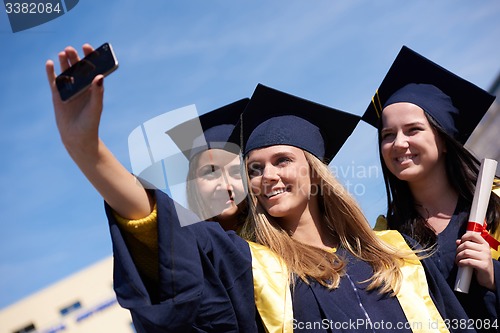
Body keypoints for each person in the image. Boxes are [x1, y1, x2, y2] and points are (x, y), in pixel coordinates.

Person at [47, 44, 473, 333]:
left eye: (282, 161)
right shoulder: (253, 269)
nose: (266, 176)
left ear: (316, 173)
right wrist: (88, 150)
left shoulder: (398, 253)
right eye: (253, 168)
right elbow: (167, 235)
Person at [362, 45, 500, 331]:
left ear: (443, 138)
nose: (399, 143)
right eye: (388, 135)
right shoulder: (386, 237)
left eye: (413, 130)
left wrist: (493, 275)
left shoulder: (495, 205)